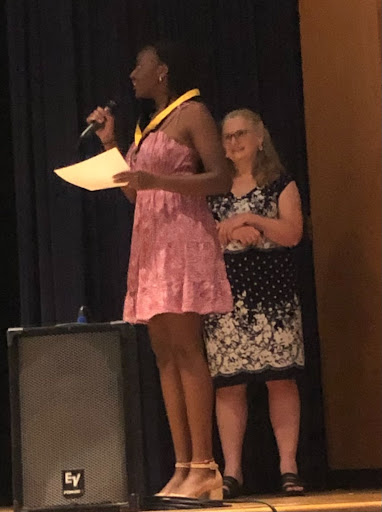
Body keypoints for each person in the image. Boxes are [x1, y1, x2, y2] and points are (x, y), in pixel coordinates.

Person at [86, 41, 233, 499]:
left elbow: (221, 178)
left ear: (163, 70)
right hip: (150, 244)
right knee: (164, 353)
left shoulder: (194, 114)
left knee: (187, 349)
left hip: (184, 239)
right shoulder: (144, 130)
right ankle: (184, 464)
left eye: (140, 66)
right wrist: (111, 144)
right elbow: (136, 194)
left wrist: (158, 181)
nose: (133, 75)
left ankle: (207, 469)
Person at [203, 109, 305, 498]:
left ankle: (289, 467)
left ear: (260, 137)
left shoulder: (281, 183)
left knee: (281, 379)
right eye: (227, 136)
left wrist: (253, 220)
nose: (234, 141)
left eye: (241, 133)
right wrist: (233, 232)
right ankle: (231, 471)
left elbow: (293, 232)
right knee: (229, 386)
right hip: (228, 299)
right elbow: (202, 237)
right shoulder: (214, 188)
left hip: (274, 299)